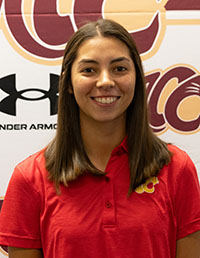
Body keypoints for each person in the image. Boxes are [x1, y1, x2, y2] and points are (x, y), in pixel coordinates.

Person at [0, 19, 200, 258]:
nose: (105, 81)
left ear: (136, 79)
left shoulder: (177, 168)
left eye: (119, 69)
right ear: (69, 84)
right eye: (88, 70)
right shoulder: (29, 179)